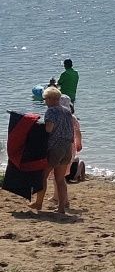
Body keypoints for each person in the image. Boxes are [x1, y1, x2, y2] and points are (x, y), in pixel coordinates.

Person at [31, 85, 74, 215]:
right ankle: (61, 207)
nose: (45, 102)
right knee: (60, 179)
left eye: (45, 99)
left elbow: (49, 129)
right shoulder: (67, 110)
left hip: (56, 147)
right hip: (67, 147)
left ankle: (38, 203)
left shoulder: (51, 111)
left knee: (42, 176)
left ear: (50, 99)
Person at [60, 96, 85, 184]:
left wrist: (79, 143)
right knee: (66, 163)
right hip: (70, 146)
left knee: (65, 164)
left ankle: (79, 166)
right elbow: (78, 132)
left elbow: (77, 132)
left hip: (68, 146)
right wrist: (79, 143)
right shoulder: (72, 118)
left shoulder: (70, 118)